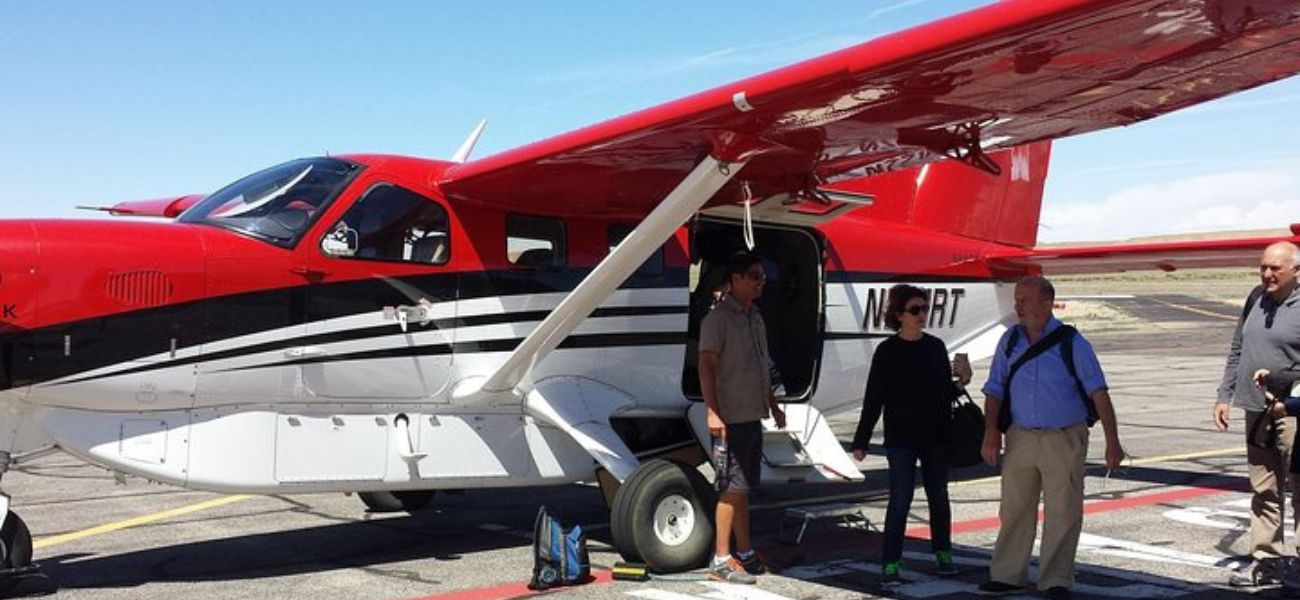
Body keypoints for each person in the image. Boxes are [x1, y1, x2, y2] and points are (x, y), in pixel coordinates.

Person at [978, 276, 1124, 600]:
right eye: (1016, 299)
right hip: (1020, 437)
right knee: (1014, 508)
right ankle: (1007, 575)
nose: (1018, 306)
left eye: (1024, 299)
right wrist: (991, 432)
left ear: (1047, 303)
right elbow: (994, 389)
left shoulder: (1072, 343)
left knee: (1063, 510)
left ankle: (1055, 579)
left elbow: (1098, 393)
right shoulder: (1010, 341)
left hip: (1063, 437)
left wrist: (1112, 442)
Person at [850, 284, 971, 588]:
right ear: (899, 315)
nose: (922, 315)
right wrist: (862, 439)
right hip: (901, 439)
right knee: (900, 499)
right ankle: (891, 562)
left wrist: (963, 381)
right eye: (915, 310)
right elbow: (874, 398)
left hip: (935, 437)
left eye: (924, 309)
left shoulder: (935, 347)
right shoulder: (887, 352)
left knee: (939, 498)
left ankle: (943, 554)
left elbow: (945, 392)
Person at [1213, 241, 1300, 587]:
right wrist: (1225, 394)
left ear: (1296, 270)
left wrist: (1282, 384)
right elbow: (1238, 347)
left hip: (1293, 411)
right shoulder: (1255, 298)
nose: (1266, 274)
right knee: (1264, 489)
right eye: (1263, 267)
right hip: (1256, 409)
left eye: (1274, 268)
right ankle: (1267, 560)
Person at [698, 251, 786, 584]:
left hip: (751, 414)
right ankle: (721, 558)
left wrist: (773, 404)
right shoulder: (718, 319)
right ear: (735, 280)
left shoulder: (756, 317)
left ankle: (745, 551)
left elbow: (761, 366)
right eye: (754, 276)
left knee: (742, 487)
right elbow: (707, 365)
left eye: (763, 276)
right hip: (730, 416)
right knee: (730, 488)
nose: (761, 282)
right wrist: (713, 411)